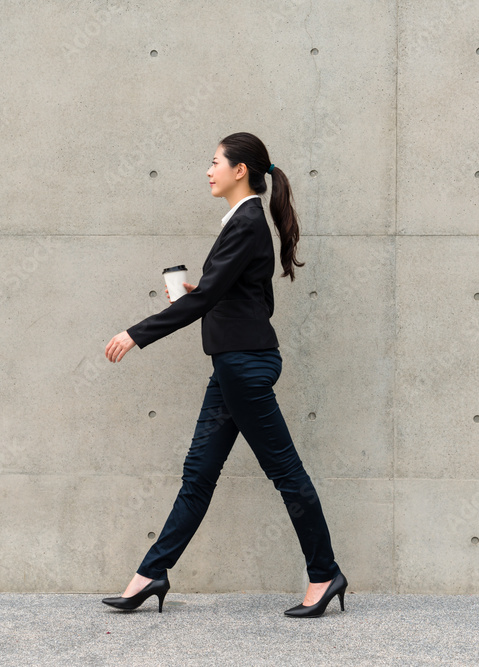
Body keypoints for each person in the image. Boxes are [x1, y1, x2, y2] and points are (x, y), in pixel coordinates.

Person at [101, 132, 347, 617]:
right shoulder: (244, 222)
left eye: (215, 162)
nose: (208, 170)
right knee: (199, 475)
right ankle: (151, 574)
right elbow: (254, 298)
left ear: (240, 170)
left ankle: (324, 574)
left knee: (286, 474)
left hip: (243, 369)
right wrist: (205, 292)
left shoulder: (247, 221)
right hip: (234, 366)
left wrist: (137, 333)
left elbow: (214, 299)